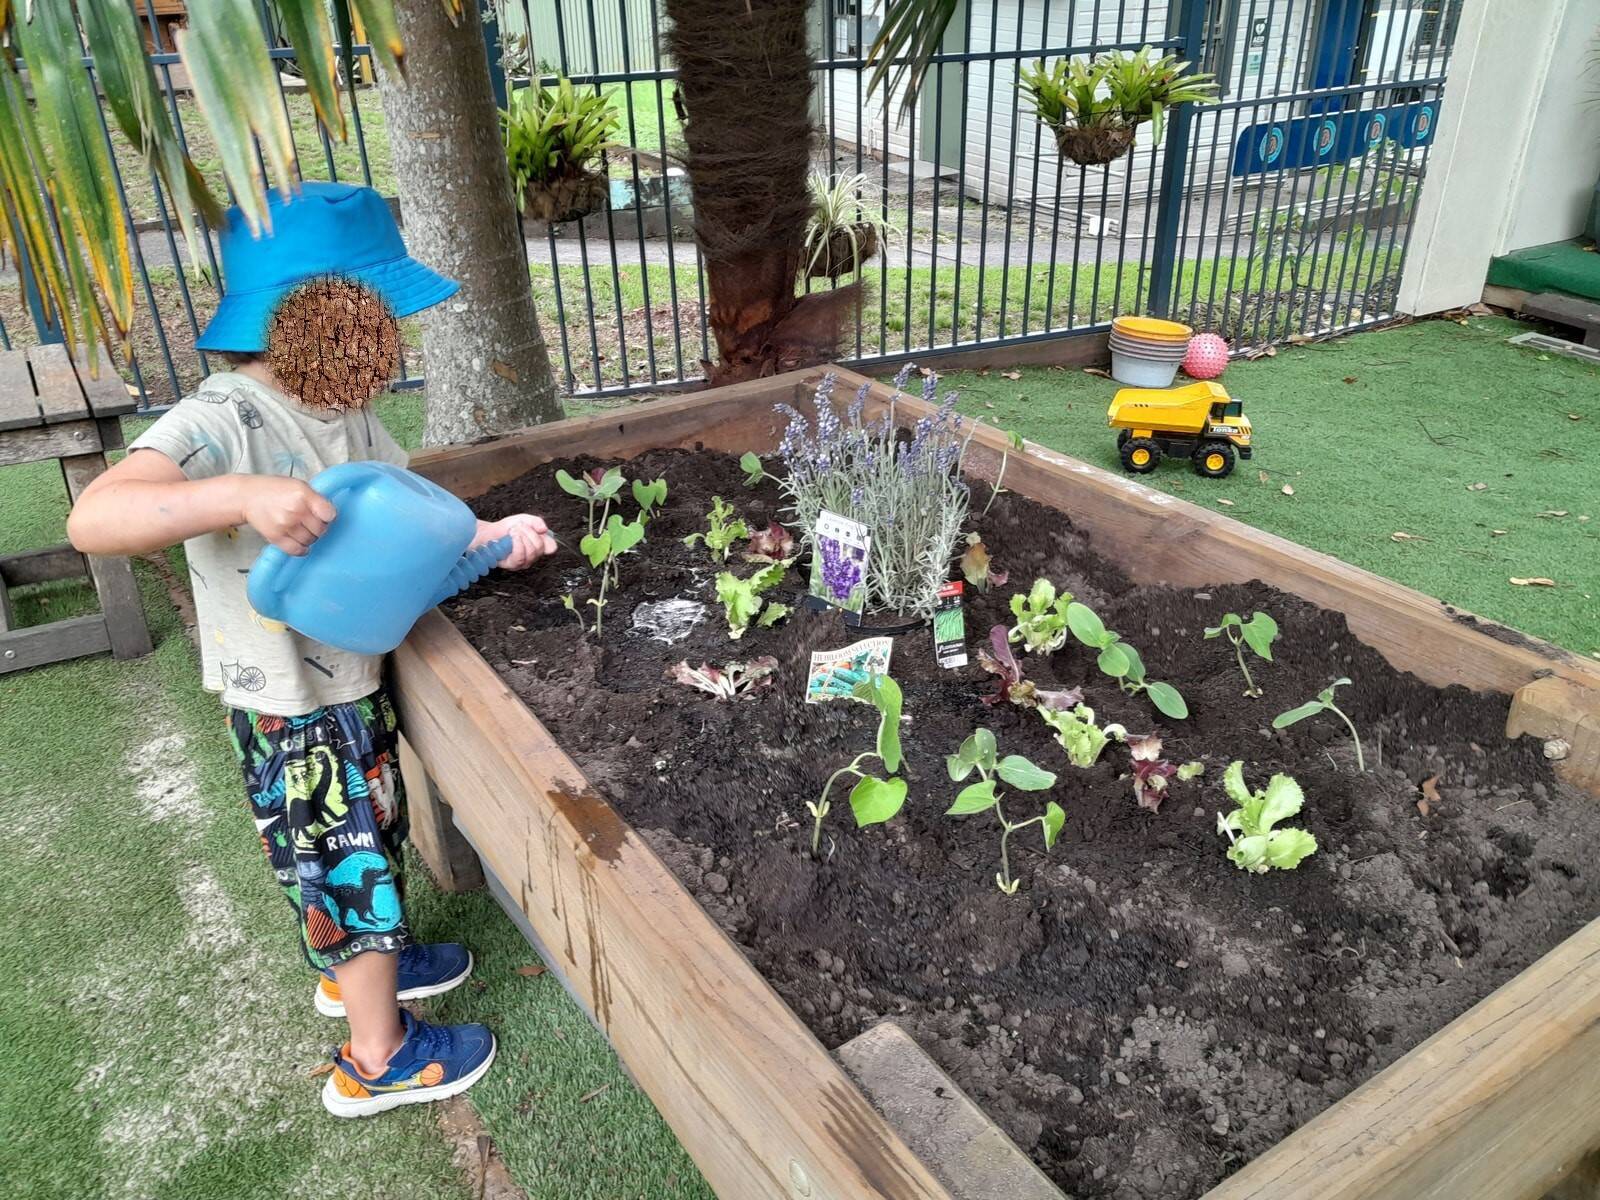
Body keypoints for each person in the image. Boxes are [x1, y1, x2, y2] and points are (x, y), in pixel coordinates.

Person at [67, 182, 556, 1118]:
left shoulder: (349, 415)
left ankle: (371, 965)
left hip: (347, 678)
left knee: (364, 835)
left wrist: (493, 533)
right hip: (289, 705)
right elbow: (97, 517)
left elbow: (416, 524)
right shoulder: (222, 420)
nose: (389, 342)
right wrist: (240, 497)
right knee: (342, 858)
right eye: (374, 317)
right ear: (317, 317)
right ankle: (377, 1057)